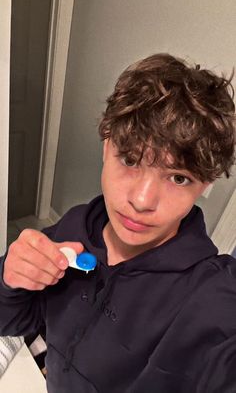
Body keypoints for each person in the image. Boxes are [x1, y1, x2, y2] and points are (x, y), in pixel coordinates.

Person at [0, 53, 236, 393]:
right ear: (106, 144)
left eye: (179, 178)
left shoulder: (207, 295)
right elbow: (16, 321)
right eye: (130, 159)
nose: (141, 201)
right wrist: (12, 280)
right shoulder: (74, 228)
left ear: (206, 183)